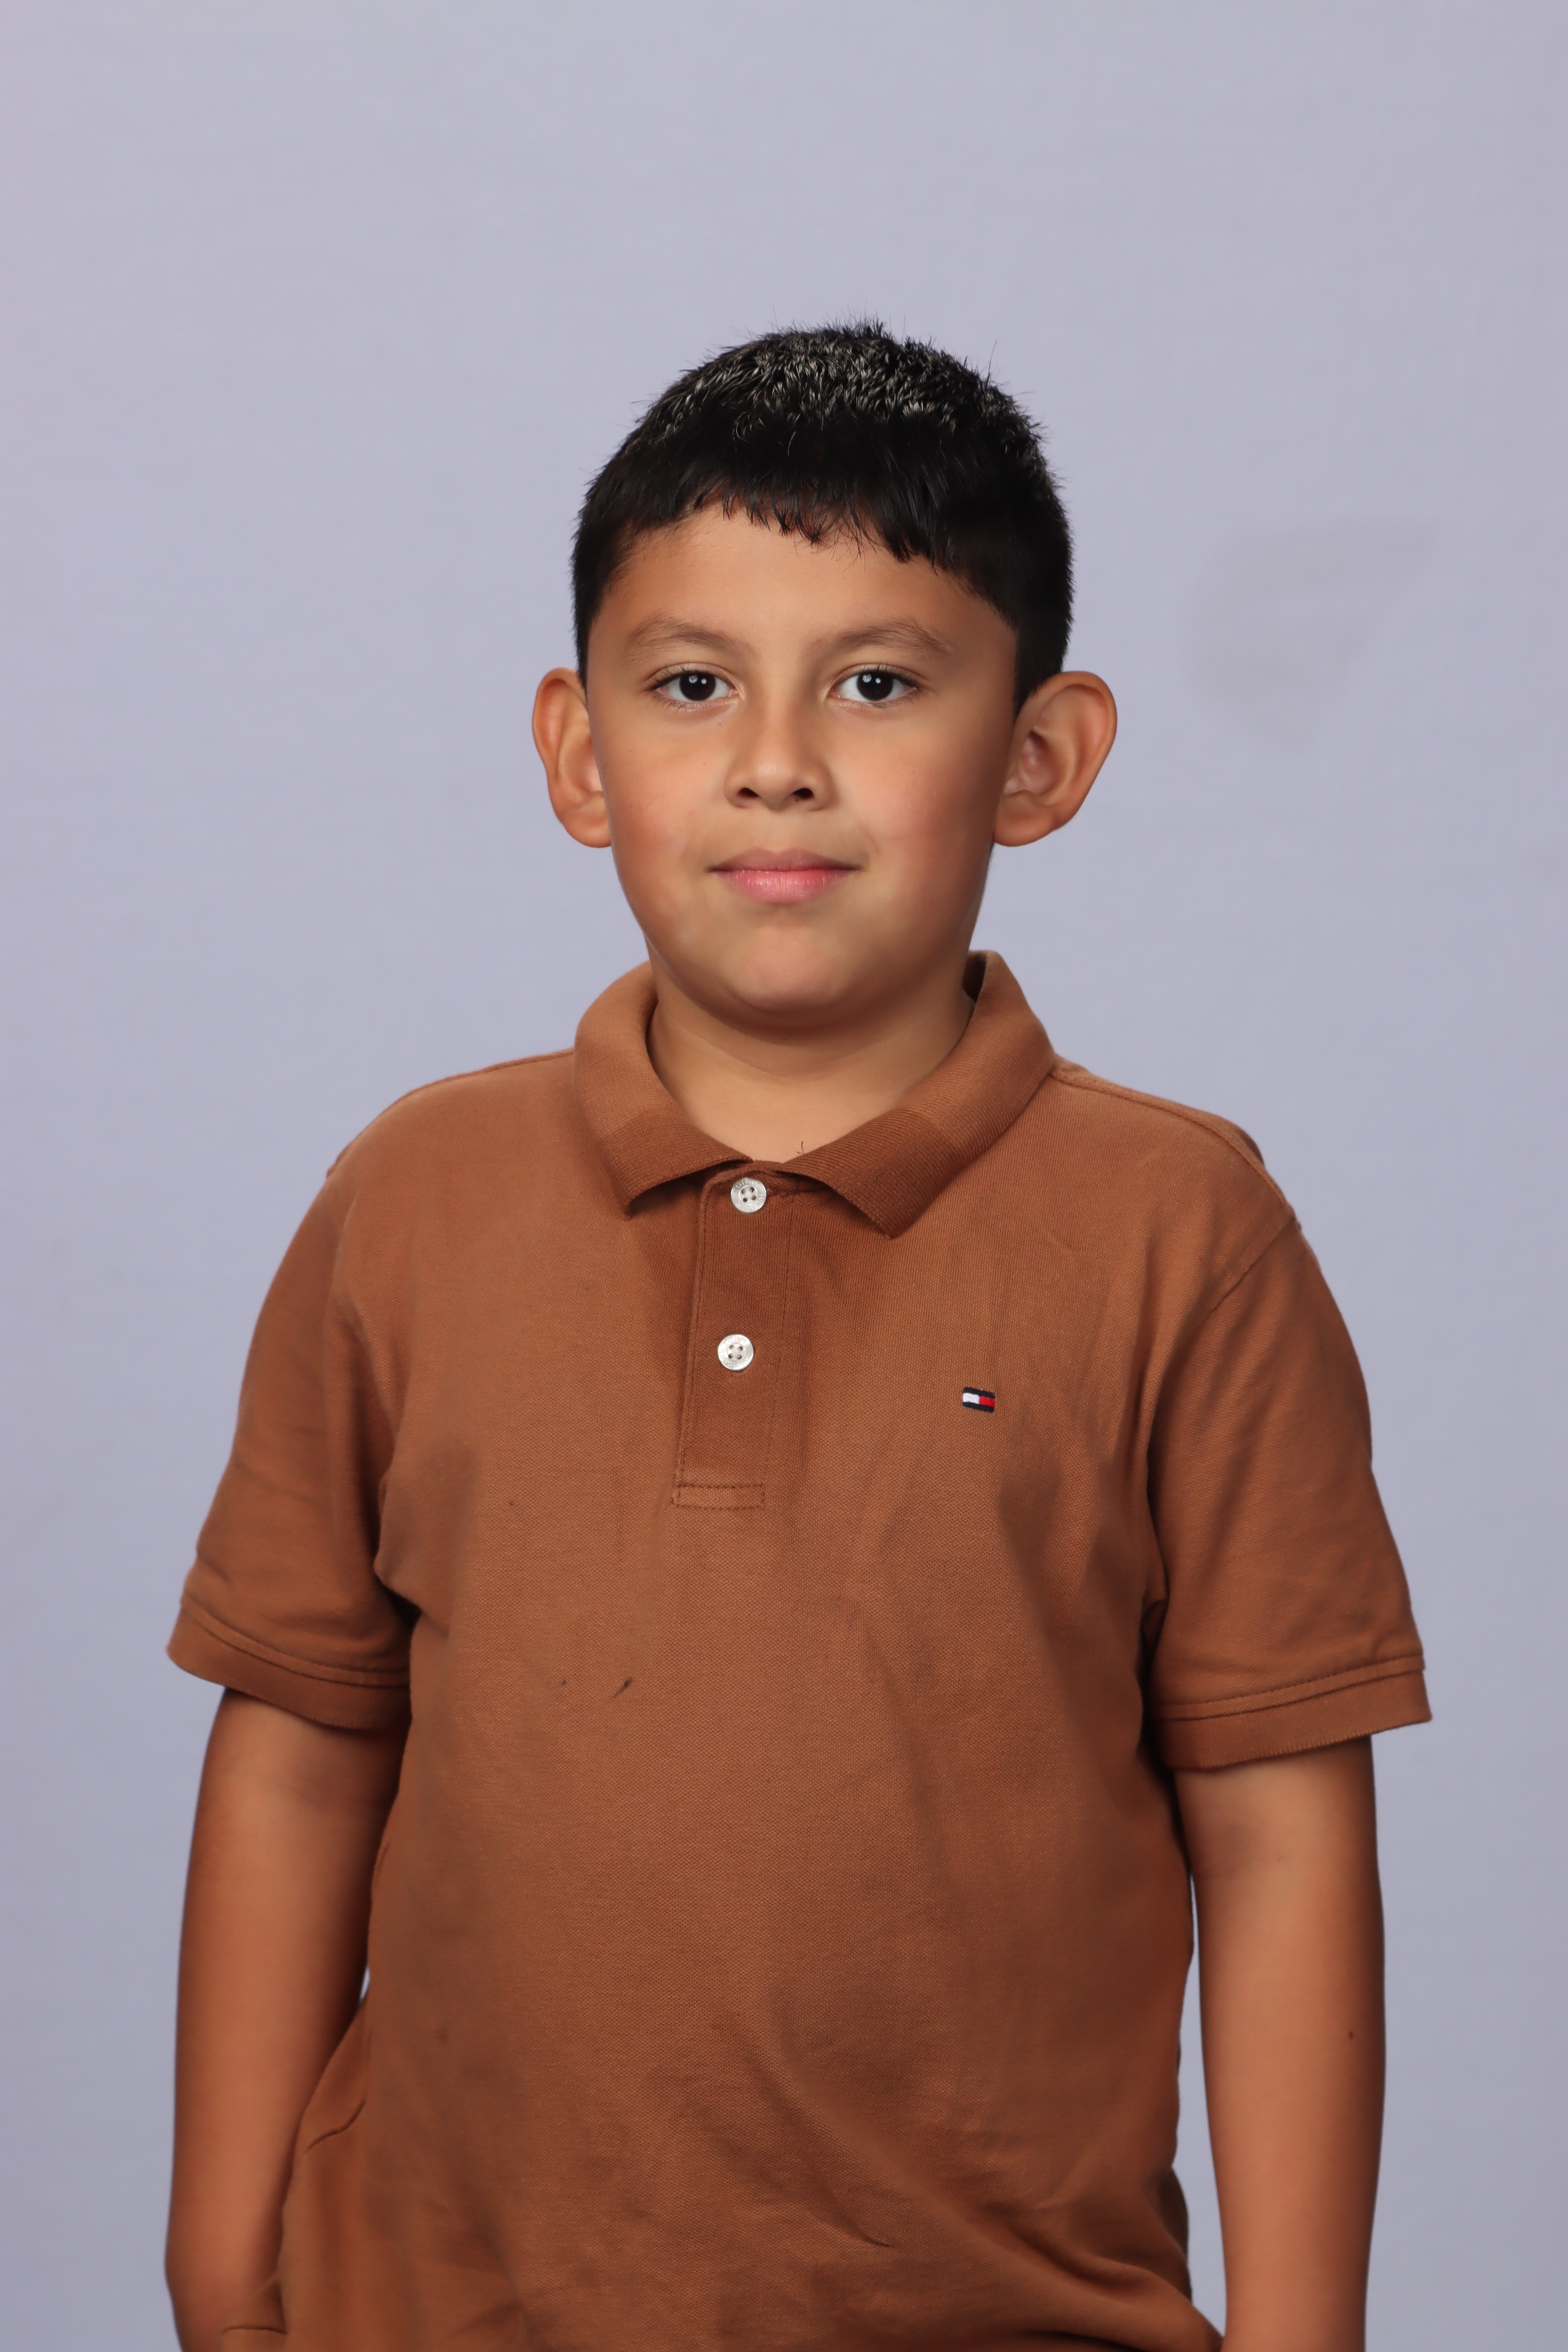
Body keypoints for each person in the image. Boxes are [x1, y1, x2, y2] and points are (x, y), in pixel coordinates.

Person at [165, 323, 1428, 2352]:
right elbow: (305, 1745)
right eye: (691, 685)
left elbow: (1278, 1827)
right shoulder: (412, 1197)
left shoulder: (1182, 1234)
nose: (777, 760)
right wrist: (226, 2274)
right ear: (581, 755)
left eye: (876, 684)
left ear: (1040, 755)